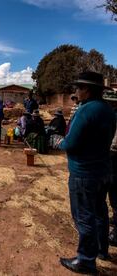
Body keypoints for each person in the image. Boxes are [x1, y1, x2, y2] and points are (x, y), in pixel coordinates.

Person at [56, 71, 116, 275]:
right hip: (104, 170)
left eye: (78, 88)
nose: (76, 91)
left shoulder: (85, 110)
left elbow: (71, 143)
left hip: (84, 173)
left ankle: (85, 261)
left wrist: (58, 142)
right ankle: (101, 250)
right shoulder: (108, 110)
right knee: (100, 212)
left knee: (84, 217)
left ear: (87, 90)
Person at [104, 91, 117, 247]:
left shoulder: (113, 117)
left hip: (114, 157)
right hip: (111, 157)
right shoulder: (111, 115)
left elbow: (114, 143)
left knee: (115, 192)